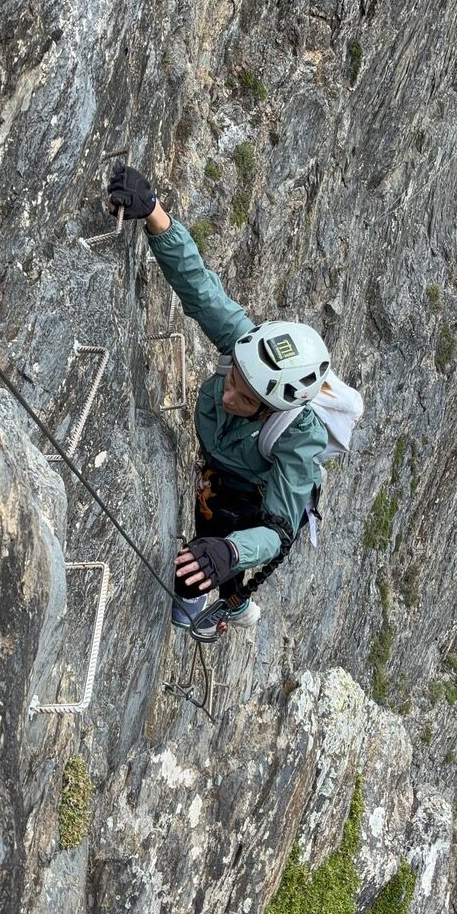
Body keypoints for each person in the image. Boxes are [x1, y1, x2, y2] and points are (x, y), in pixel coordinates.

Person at [107, 164, 331, 642]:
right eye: (231, 380)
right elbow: (200, 290)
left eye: (244, 399)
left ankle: (229, 605)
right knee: (206, 541)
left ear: (272, 409)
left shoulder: (298, 436)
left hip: (251, 497)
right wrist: (154, 215)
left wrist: (230, 552)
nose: (228, 394)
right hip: (216, 465)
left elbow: (276, 530)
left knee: (205, 560)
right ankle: (224, 592)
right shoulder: (246, 351)